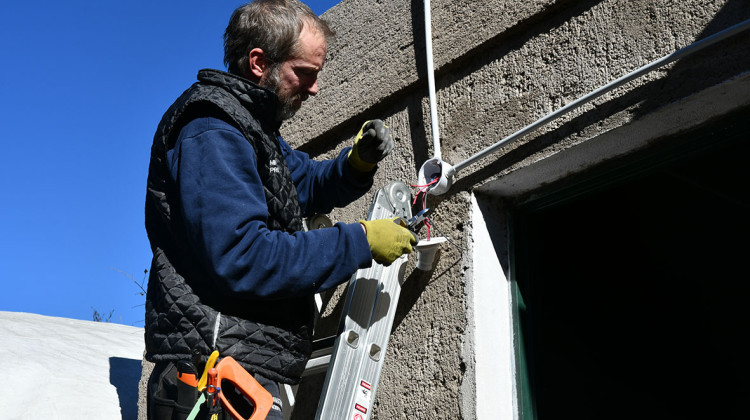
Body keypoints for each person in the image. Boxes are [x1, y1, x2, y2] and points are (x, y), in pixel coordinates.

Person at [142, 0, 416, 419]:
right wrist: (359, 240)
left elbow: (299, 184)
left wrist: (353, 164)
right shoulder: (212, 129)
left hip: (239, 375)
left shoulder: (252, 129)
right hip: (213, 378)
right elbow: (243, 255)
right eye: (304, 73)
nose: (314, 88)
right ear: (258, 63)